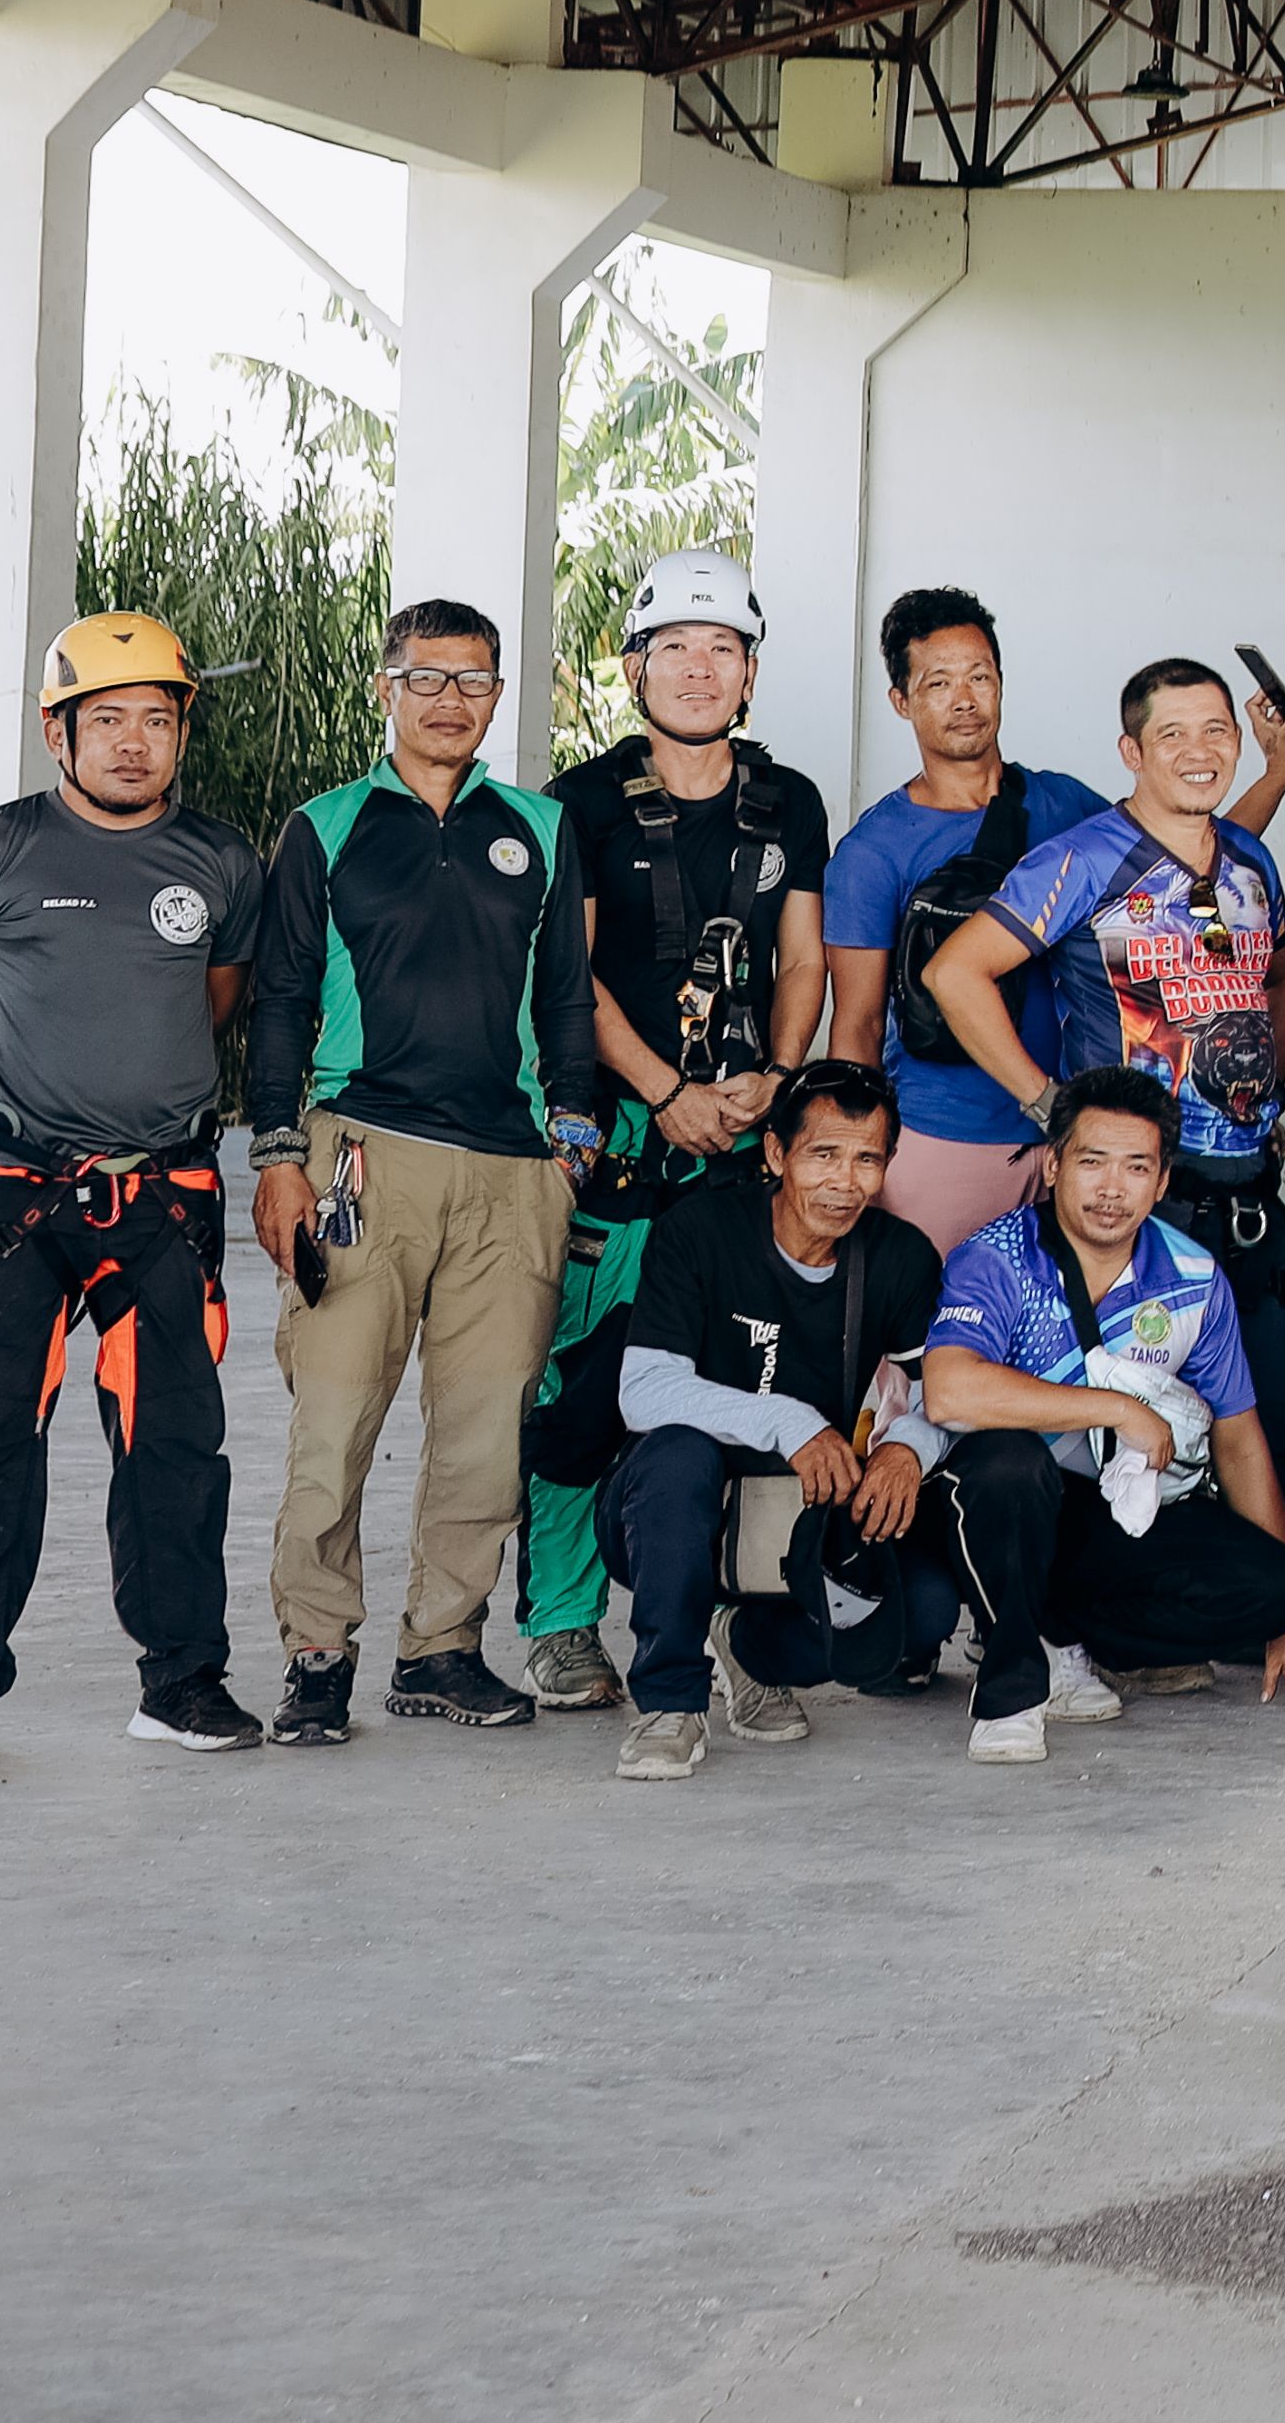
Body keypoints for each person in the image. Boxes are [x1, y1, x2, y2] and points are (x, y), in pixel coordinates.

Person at [0, 612, 272, 1774]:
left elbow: (214, 1008)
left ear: (179, 733)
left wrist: (130, 1117)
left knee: (175, 1446)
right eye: (105, 719)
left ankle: (182, 1682)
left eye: (155, 720)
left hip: (162, 1195)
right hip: (17, 1197)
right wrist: (44, 1115)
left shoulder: (220, 864)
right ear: (58, 732)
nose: (131, 743)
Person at [246, 600, 596, 1747]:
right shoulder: (327, 825)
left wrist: (571, 1140)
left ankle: (443, 1647)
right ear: (385, 688)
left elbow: (565, 995)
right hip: (363, 1154)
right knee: (334, 1418)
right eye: (428, 678)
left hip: (510, 1170)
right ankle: (316, 1654)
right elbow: (281, 998)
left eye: (476, 682)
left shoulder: (537, 826)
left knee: (489, 1427)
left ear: (500, 696)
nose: (452, 700)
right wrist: (280, 1156)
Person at [520, 548, 834, 1715]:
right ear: (635, 664)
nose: (699, 670)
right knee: (573, 1396)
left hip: (740, 1157)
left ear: (749, 672)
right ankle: (560, 1622)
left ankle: (739, 1635)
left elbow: (800, 958)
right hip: (621, 1152)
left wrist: (780, 1081)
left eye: (723, 650)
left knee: (746, 1386)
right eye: (675, 649)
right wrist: (664, 1091)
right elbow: (574, 978)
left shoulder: (788, 800)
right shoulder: (584, 802)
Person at [926, 661, 1285, 1546]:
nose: (1198, 751)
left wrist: (1262, 1084)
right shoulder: (1081, 858)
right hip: (1141, 1202)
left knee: (1266, 1415)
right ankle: (1105, 1625)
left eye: (1216, 729)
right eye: (1171, 734)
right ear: (1131, 752)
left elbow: (1283, 972)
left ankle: (1261, 1609)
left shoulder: (1248, 858)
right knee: (1138, 1439)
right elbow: (954, 972)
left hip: (1249, 1197)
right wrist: (1043, 1102)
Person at [918, 1069, 1285, 1758]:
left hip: (1099, 1513)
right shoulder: (999, 1258)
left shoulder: (1193, 1276)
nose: (1112, 1189)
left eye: (1136, 1167)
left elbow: (1238, 1440)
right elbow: (950, 1391)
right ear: (1053, 1166)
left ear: (1163, 1181)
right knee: (1008, 1463)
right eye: (1092, 1162)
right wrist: (1115, 1408)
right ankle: (1013, 1685)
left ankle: (1065, 1636)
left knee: (1269, 1583)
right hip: (988, 1508)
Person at [599, 1064, 957, 1776]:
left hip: (801, 1518)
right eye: (823, 1154)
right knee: (677, 1454)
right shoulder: (700, 1231)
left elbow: (947, 1396)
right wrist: (786, 1420)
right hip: (673, 1510)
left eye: (866, 1159)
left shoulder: (899, 1256)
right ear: (774, 1155)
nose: (845, 1181)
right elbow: (643, 1390)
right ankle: (671, 1702)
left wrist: (907, 1450)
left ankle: (749, 1644)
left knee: (926, 1611)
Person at [819, 592, 1101, 1253]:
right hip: (942, 1142)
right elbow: (856, 1022)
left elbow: (1174, 860)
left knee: (1053, 1349)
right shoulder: (874, 850)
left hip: (1074, 1135)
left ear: (1001, 684)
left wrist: (1276, 772)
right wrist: (855, 1155)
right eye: (937, 683)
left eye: (980, 677)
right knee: (919, 1344)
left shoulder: (1063, 803)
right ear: (902, 701)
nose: (965, 698)